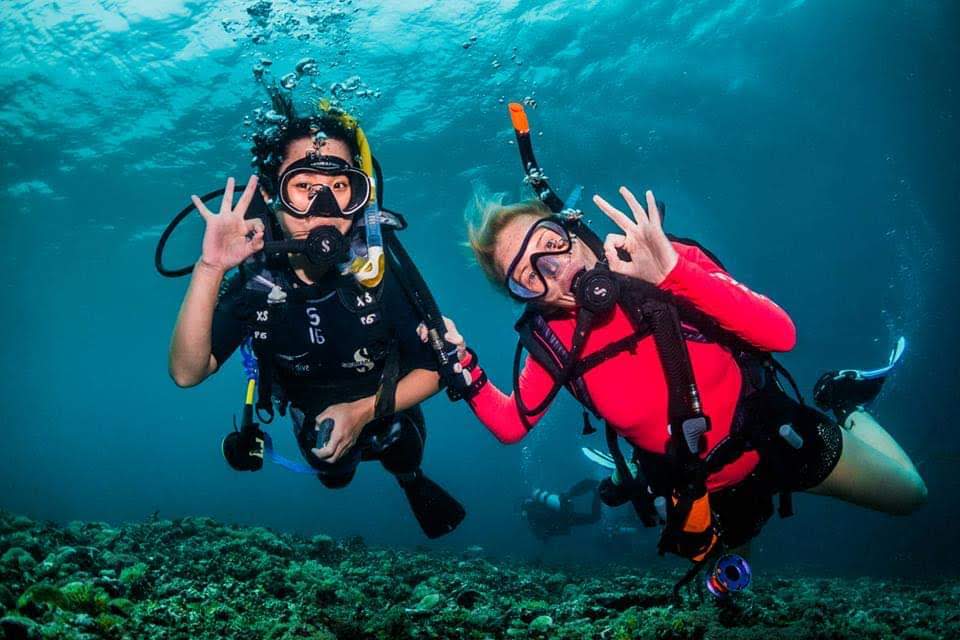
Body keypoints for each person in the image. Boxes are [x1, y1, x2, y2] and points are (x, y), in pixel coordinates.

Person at [437, 104, 926, 584]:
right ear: (526, 298)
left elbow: (781, 335)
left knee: (910, 497)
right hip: (702, 489)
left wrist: (672, 275)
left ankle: (844, 407)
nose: (556, 270)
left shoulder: (661, 259)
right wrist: (461, 364)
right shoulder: (552, 343)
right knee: (729, 591)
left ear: (569, 224)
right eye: (527, 276)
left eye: (550, 244)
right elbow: (511, 423)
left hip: (777, 437)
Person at [166, 98, 465, 539]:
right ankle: (345, 457)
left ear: (359, 195)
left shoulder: (377, 268)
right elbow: (188, 373)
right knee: (331, 471)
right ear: (271, 195)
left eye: (341, 186)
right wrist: (211, 268)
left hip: (386, 397)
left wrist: (362, 412)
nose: (324, 206)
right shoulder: (259, 280)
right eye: (303, 186)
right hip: (312, 408)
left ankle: (408, 479)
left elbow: (438, 366)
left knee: (401, 446)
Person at [521, 479, 601, 542]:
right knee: (569, 495)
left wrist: (545, 536)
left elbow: (541, 534)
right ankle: (595, 488)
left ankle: (597, 491)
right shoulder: (535, 508)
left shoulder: (532, 518)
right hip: (563, 511)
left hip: (564, 517)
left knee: (594, 518)